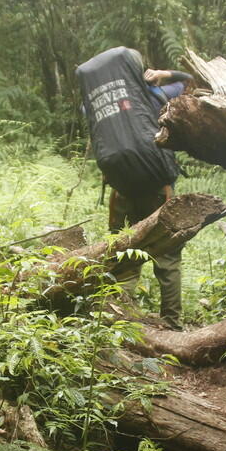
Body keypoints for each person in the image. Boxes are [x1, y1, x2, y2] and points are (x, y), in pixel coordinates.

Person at [76, 47, 191, 330]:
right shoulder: (155, 96)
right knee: (167, 256)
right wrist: (164, 75)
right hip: (157, 187)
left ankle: (122, 322)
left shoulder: (90, 104)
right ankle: (172, 326)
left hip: (122, 188)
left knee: (125, 252)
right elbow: (190, 81)